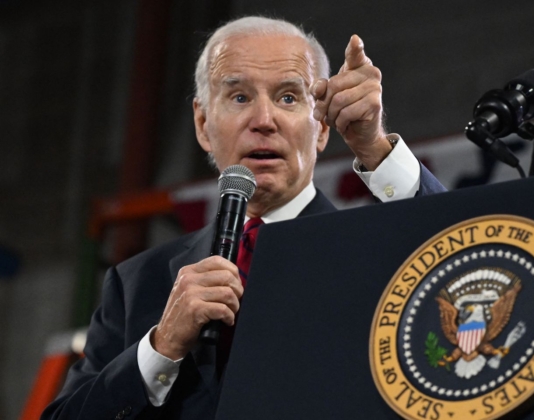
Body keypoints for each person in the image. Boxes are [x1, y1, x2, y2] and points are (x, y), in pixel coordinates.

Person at [42, 16, 445, 419]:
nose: (263, 120)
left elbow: (463, 258)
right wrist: (160, 348)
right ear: (203, 124)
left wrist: (374, 147)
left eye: (288, 97)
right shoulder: (136, 284)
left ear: (321, 127)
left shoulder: (371, 255)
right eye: (239, 97)